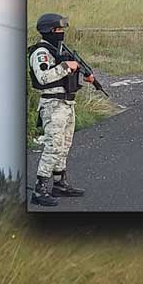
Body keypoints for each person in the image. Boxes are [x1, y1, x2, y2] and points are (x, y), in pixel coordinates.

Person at [27, 13, 93, 206]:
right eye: (58, 30)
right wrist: (66, 66)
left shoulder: (59, 50)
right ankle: (40, 189)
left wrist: (83, 74)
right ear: (48, 31)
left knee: (64, 145)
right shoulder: (41, 53)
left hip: (67, 103)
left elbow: (68, 74)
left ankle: (59, 183)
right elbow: (43, 78)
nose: (61, 33)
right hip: (52, 105)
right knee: (53, 146)